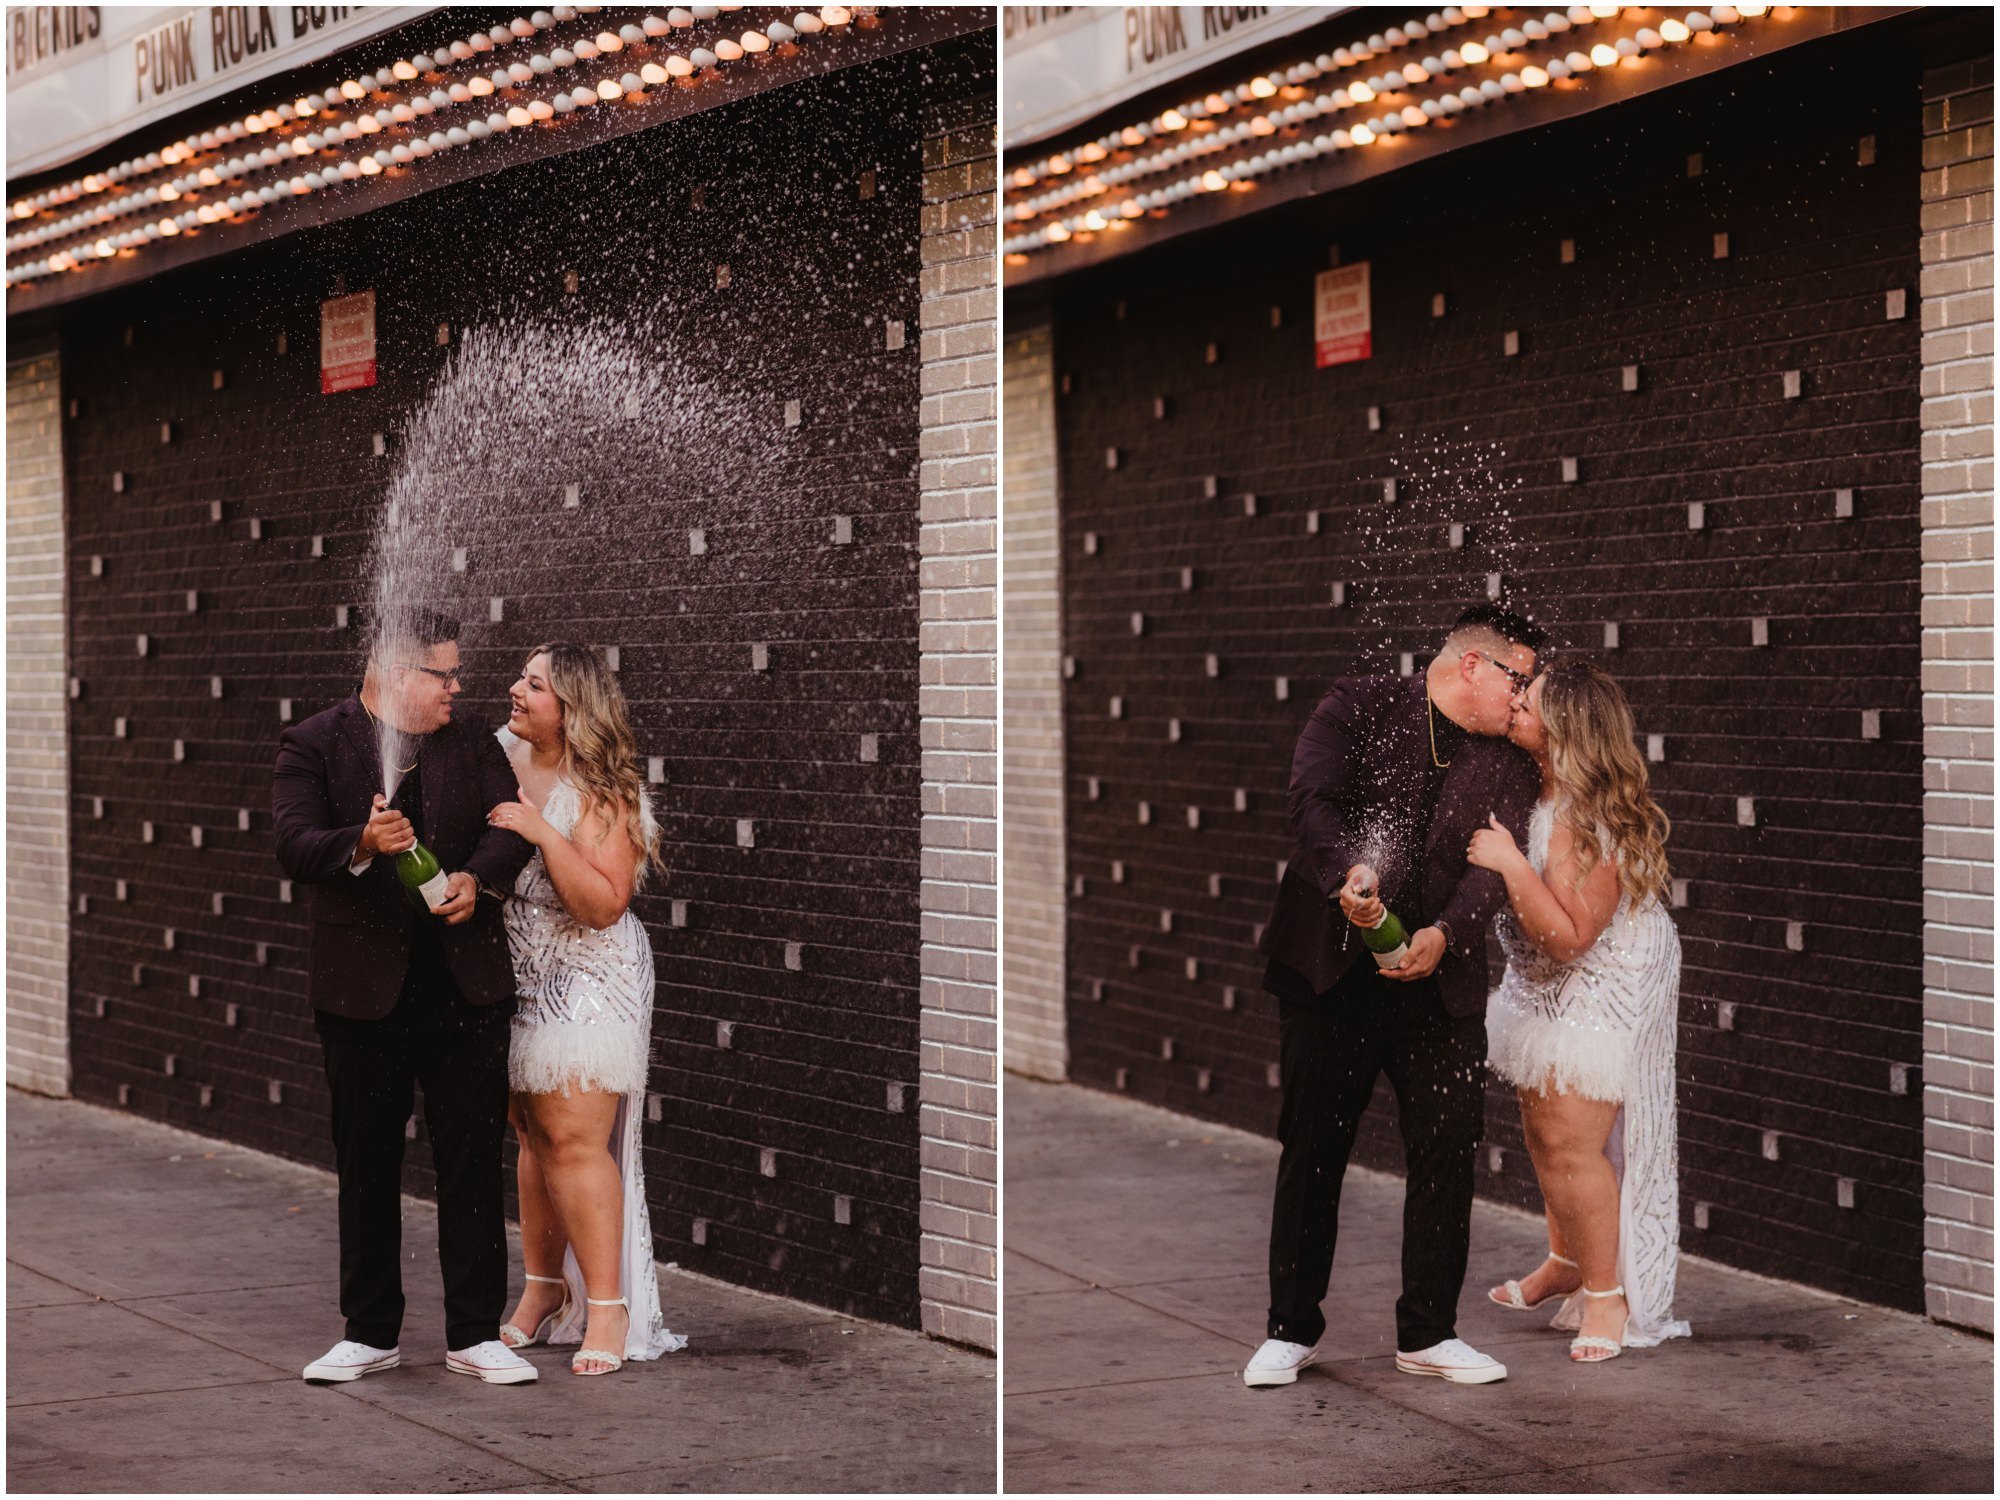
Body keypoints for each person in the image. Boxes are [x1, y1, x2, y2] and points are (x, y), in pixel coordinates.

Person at [1244, 604, 1545, 1389]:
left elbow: (1496, 868)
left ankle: (1430, 1333)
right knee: (1314, 1151)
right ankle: (1290, 1329)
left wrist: (1445, 935)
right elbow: (1310, 803)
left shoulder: (1511, 760)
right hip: (1329, 979)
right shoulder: (1358, 704)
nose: (1524, 699)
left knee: (1446, 1154)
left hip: (1438, 989)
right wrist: (1350, 875)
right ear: (1472, 666)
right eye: (1517, 680)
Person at [273, 608, 540, 1386]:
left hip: (467, 990)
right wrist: (360, 843)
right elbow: (293, 845)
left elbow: (513, 831)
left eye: (458, 673)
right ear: (395, 675)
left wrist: (475, 879)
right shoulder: (313, 742)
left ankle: (473, 1335)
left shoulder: (474, 736)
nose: (459, 687)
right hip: (362, 1000)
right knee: (366, 1164)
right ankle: (368, 1332)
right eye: (444, 675)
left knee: (469, 1163)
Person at [1468, 659, 1689, 1362]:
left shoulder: (1594, 817)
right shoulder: (1534, 784)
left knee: (1574, 1138)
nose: (1514, 708)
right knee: (1541, 1125)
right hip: (1545, 973)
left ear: (1566, 726)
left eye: (1527, 701)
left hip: (1606, 973)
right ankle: (1566, 1257)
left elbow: (1568, 938)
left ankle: (1606, 1296)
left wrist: (1509, 864)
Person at [486, 643, 686, 1375]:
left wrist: (542, 831)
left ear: (571, 707)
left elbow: (604, 905)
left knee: (575, 1135)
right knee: (533, 1133)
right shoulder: (499, 754)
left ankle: (608, 1307)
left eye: (533, 685)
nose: (514, 691)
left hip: (591, 971)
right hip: (521, 965)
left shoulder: (602, 786)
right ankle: (542, 1290)